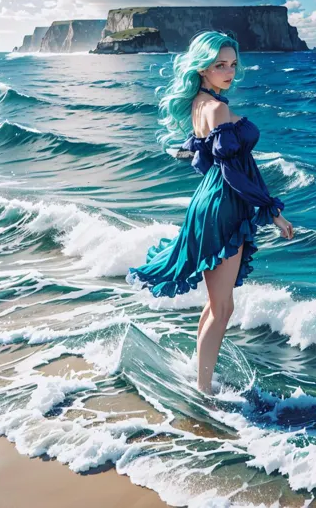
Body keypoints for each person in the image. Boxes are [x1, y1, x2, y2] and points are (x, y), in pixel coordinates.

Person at [126, 30, 294, 394]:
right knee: (223, 308)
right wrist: (271, 210)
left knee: (218, 304)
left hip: (210, 200)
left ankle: (198, 372)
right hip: (223, 205)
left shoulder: (202, 102)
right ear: (202, 68)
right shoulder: (217, 108)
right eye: (220, 65)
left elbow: (208, 159)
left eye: (232, 64)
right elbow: (234, 170)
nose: (229, 71)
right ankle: (203, 390)